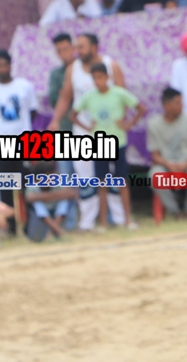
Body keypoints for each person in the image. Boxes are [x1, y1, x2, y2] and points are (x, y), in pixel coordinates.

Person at [47, 33, 127, 230]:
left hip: (108, 131)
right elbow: (65, 98)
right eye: (76, 47)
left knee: (112, 175)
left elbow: (123, 95)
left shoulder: (111, 65)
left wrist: (122, 119)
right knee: (85, 177)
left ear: (94, 47)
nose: (78, 51)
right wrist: (55, 120)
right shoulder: (73, 69)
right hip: (82, 130)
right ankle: (88, 221)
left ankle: (118, 218)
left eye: (81, 47)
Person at [70, 62, 145, 231]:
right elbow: (73, 115)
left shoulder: (119, 93)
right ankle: (103, 222)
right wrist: (87, 128)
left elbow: (140, 108)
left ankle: (127, 220)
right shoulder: (89, 96)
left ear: (107, 77)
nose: (98, 81)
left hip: (118, 141)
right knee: (102, 183)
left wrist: (128, 124)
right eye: (95, 78)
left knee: (122, 181)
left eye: (100, 77)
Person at [0, 49, 37, 225]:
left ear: (11, 65)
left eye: (5, 65)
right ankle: (10, 227)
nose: (3, 69)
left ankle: (29, 225)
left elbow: (32, 112)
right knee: (5, 187)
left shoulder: (25, 86)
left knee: (26, 186)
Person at [146, 88, 187, 220]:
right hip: (166, 165)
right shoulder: (153, 124)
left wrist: (186, 164)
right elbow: (155, 155)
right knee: (154, 176)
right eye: (178, 102)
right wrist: (168, 165)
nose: (182, 105)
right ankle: (175, 211)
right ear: (167, 106)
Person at [22, 160, 76, 241]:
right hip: (41, 219)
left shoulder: (57, 183)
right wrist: (56, 195)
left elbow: (72, 193)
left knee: (64, 201)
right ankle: (58, 231)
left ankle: (51, 232)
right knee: (37, 204)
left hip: (55, 214)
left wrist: (44, 197)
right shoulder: (33, 186)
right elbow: (30, 198)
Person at [47, 33, 76, 132]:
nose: (63, 53)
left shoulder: (84, 68)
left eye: (66, 49)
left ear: (73, 48)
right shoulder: (56, 74)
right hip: (65, 123)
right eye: (59, 51)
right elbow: (54, 100)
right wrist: (68, 94)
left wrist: (65, 93)